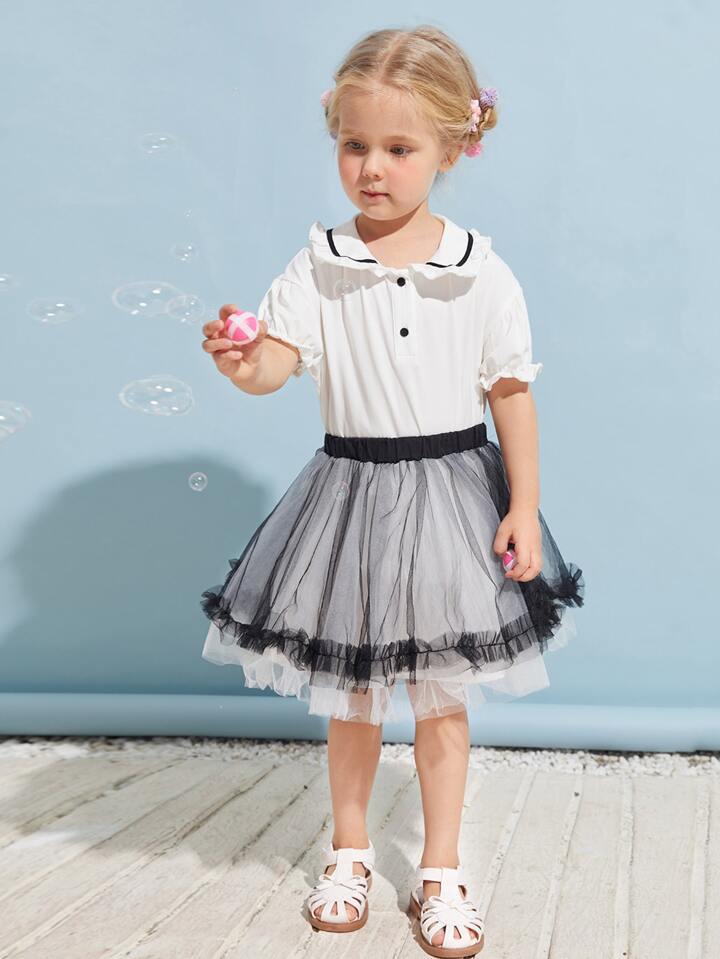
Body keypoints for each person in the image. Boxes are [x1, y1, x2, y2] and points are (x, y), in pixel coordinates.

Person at [199, 24, 585, 957]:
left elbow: (511, 394)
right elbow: (276, 364)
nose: (372, 168)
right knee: (355, 699)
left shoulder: (481, 271)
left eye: (399, 148)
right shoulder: (319, 263)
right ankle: (350, 852)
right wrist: (243, 362)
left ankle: (442, 866)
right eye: (354, 144)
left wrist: (522, 504)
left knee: (441, 700)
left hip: (452, 496)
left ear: (452, 149)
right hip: (352, 498)